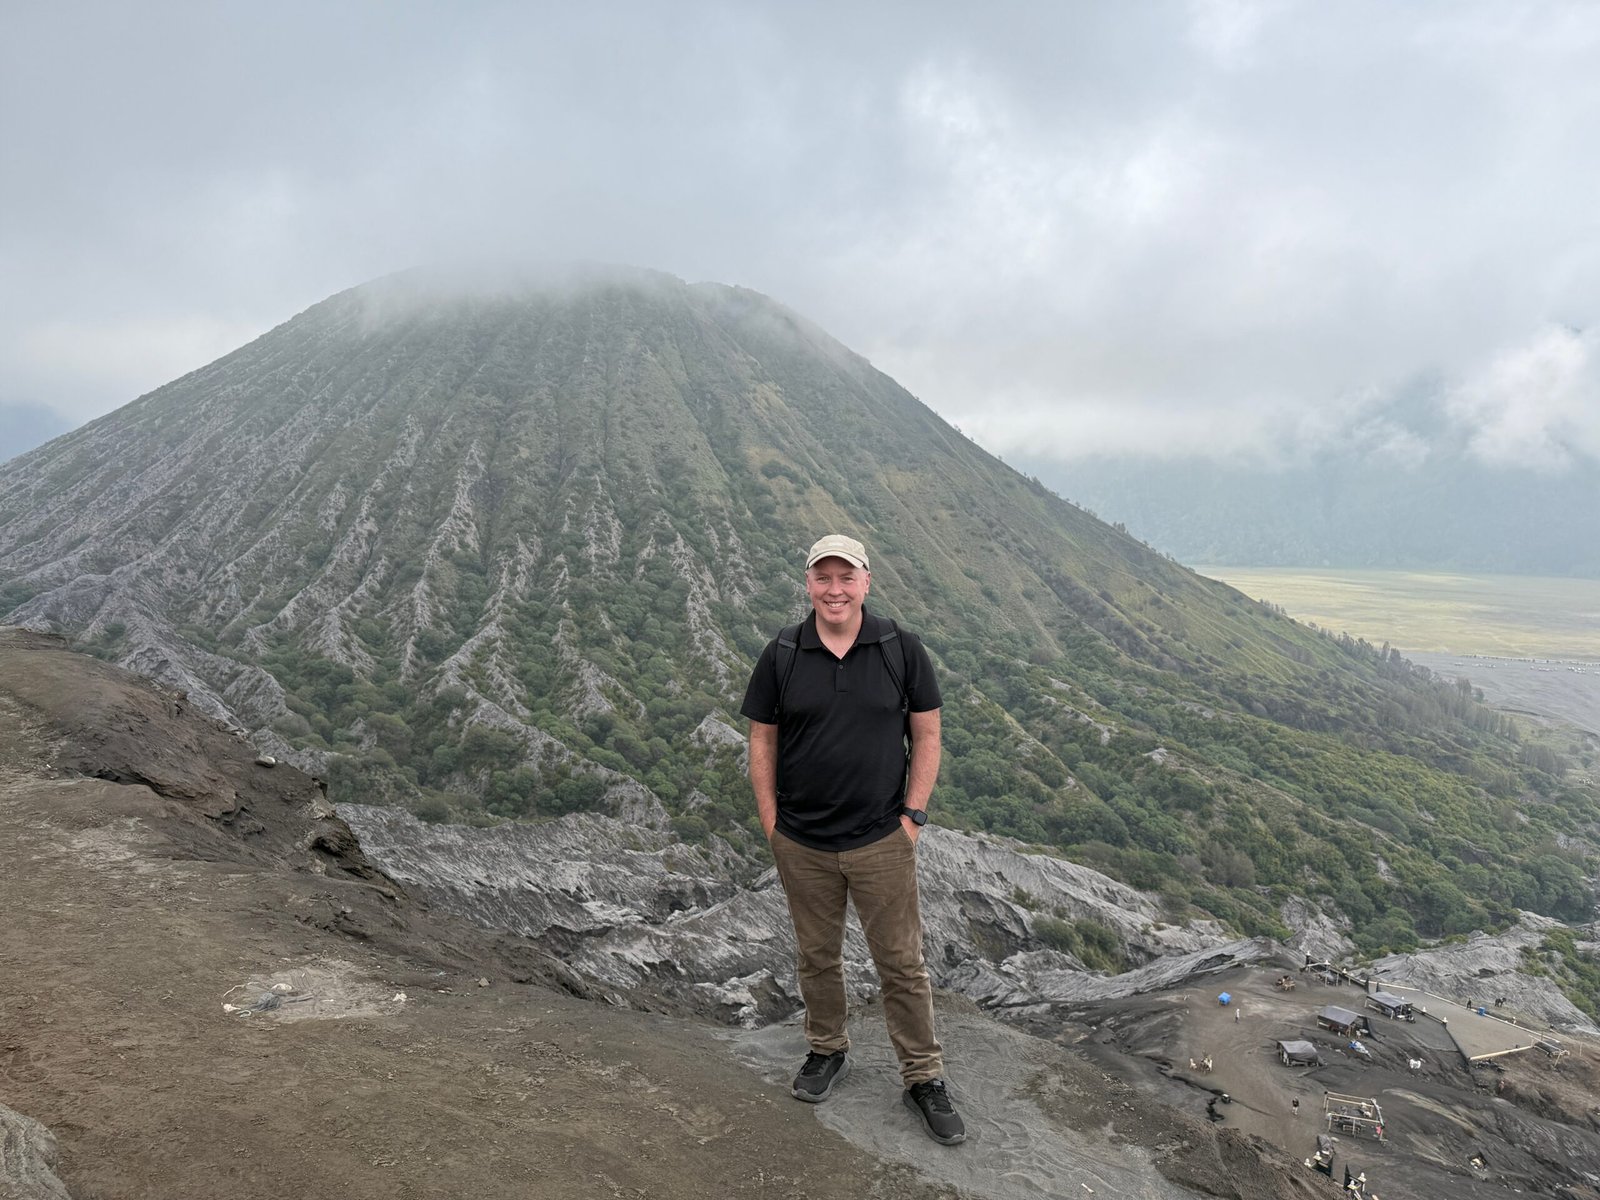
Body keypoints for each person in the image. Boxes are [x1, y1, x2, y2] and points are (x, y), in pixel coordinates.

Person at [741, 533, 964, 1146]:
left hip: (880, 837)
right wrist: (772, 824)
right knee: (817, 956)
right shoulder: (783, 652)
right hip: (803, 839)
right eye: (823, 578)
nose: (834, 590)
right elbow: (762, 739)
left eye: (846, 577)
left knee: (901, 962)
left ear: (867, 582)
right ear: (808, 584)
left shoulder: (900, 649)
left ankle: (923, 1075)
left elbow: (928, 733)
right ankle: (826, 1050)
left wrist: (913, 816)